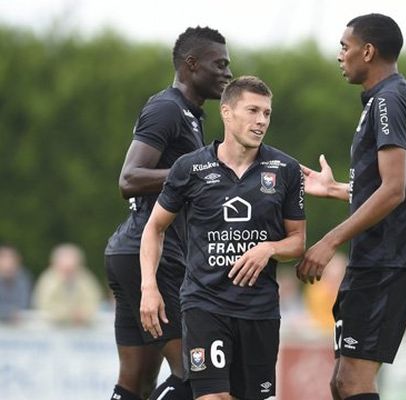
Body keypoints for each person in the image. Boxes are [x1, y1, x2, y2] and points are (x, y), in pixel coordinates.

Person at [139, 76, 306, 400]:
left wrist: (268, 249)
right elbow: (154, 228)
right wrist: (149, 286)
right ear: (227, 113)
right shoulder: (190, 168)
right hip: (205, 303)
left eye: (267, 113)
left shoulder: (285, 169)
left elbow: (297, 241)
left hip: (260, 310)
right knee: (212, 396)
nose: (261, 121)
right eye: (253, 110)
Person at [296, 13, 406, 400]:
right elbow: (388, 185)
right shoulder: (399, 95)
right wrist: (339, 188)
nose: (340, 55)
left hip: (389, 257)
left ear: (367, 51)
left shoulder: (389, 99)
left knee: (352, 382)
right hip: (382, 255)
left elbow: (394, 190)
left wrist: (328, 242)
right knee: (342, 383)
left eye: (345, 46)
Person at [104, 26, 232, 400]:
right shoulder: (167, 107)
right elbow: (129, 178)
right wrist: (201, 171)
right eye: (219, 64)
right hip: (151, 254)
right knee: (195, 377)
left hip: (132, 252)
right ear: (191, 65)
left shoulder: (191, 115)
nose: (227, 72)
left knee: (137, 384)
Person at [33, 243, 103, 326]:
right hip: (52, 328)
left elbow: (94, 301)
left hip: (82, 328)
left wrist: (84, 313)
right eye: (65, 268)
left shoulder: (86, 278)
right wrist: (69, 314)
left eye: (72, 268)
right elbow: (43, 305)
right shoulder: (48, 280)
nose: (69, 272)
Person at [0, 244, 32, 323]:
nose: (8, 264)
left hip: (18, 322)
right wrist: (8, 313)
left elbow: (24, 302)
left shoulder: (23, 278)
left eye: (11, 260)